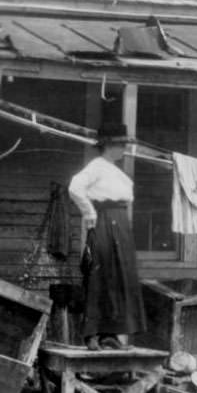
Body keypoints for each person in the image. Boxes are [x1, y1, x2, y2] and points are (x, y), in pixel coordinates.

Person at [68, 120, 145, 350]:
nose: (123, 149)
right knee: (100, 276)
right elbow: (74, 187)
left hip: (119, 224)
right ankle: (92, 335)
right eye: (120, 144)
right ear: (108, 145)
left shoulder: (114, 170)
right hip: (105, 223)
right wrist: (89, 212)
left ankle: (110, 333)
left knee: (119, 277)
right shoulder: (97, 166)